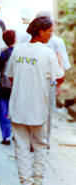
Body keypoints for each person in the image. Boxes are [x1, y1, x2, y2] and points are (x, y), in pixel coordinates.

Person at [6, 16, 64, 185]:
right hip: (38, 106)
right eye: (50, 31)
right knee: (40, 144)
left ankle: (25, 184)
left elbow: (10, 76)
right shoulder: (47, 53)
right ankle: (37, 182)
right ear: (41, 32)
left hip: (17, 105)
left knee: (21, 147)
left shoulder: (18, 50)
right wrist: (59, 60)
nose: (51, 35)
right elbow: (59, 77)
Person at [36, 11, 71, 149]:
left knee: (34, 109)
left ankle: (34, 140)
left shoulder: (29, 40)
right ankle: (45, 141)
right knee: (48, 113)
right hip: (50, 82)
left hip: (33, 81)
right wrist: (58, 86)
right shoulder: (57, 41)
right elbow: (63, 68)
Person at [0, 30, 16, 145]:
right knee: (15, 111)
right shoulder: (18, 52)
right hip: (16, 87)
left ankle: (6, 136)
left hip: (4, 88)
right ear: (15, 39)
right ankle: (16, 133)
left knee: (4, 112)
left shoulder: (3, 54)